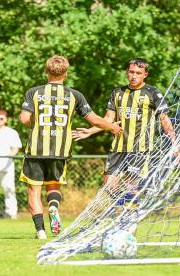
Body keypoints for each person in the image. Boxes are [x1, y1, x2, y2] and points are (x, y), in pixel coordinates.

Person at [19, 55, 122, 239]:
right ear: (66, 74)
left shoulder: (34, 92)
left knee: (34, 190)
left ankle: (40, 231)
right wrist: (112, 126)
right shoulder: (75, 95)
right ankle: (53, 206)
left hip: (36, 150)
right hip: (60, 151)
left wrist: (38, 120)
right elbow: (94, 120)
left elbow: (24, 119)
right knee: (53, 186)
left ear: (46, 71)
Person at [73, 58, 177, 195]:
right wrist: (90, 132)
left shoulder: (152, 93)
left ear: (145, 74)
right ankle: (124, 210)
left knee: (130, 187)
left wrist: (175, 143)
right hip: (118, 147)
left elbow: (164, 119)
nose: (134, 76)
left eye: (138, 73)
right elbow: (108, 119)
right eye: (131, 72)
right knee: (110, 186)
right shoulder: (117, 93)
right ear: (127, 72)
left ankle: (128, 213)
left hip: (140, 148)